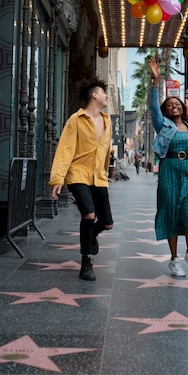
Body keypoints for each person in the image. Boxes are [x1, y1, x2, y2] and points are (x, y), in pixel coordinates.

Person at [148, 57, 188, 277]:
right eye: (170, 105)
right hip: (169, 170)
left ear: (183, 108)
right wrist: (155, 81)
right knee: (170, 213)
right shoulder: (162, 124)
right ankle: (174, 259)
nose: (174, 106)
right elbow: (153, 107)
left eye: (177, 104)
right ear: (166, 111)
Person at [49, 77, 114, 281]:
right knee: (88, 215)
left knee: (107, 223)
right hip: (78, 174)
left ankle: (92, 235)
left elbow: (104, 152)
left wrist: (105, 175)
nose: (106, 96)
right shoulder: (75, 120)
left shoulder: (107, 120)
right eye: (103, 93)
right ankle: (86, 262)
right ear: (94, 95)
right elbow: (65, 150)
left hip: (99, 178)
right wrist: (58, 178)